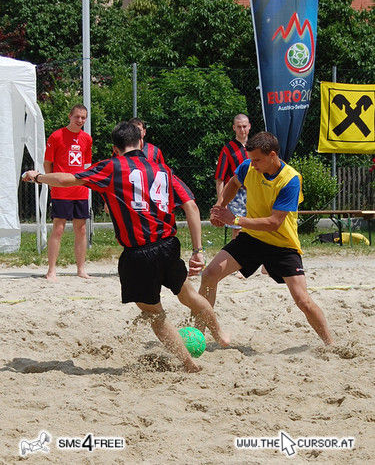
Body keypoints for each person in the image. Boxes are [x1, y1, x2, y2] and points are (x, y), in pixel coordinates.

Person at [23, 122, 229, 372]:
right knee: (189, 295)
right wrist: (197, 250)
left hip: (139, 253)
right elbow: (192, 206)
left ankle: (188, 364)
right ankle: (222, 337)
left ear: (115, 148)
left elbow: (68, 180)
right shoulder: (162, 168)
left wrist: (38, 177)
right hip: (169, 245)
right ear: (141, 143)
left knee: (155, 314)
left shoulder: (112, 166)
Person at [197, 131, 333, 346]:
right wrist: (219, 207)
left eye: (257, 159)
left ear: (272, 155)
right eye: (251, 159)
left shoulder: (290, 179)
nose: (253, 164)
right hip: (252, 238)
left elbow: (274, 222)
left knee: (303, 301)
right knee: (209, 275)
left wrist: (235, 219)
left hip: (282, 244)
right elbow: (233, 183)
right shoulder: (248, 166)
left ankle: (331, 344)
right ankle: (199, 334)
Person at [43, 104, 92, 281]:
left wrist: (86, 184)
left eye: (83, 117)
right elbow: (48, 162)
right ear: (70, 116)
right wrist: (50, 181)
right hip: (61, 190)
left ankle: (80, 269)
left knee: (81, 229)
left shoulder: (87, 138)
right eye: (77, 116)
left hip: (80, 190)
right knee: (59, 228)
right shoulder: (56, 136)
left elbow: (86, 165)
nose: (80, 120)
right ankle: (51, 270)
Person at [215, 114, 251, 240]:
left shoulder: (255, 147)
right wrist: (221, 202)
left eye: (244, 126)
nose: (242, 130)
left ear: (249, 127)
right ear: (234, 128)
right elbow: (220, 178)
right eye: (239, 127)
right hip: (237, 193)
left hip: (255, 191)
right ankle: (237, 257)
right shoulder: (228, 149)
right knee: (238, 228)